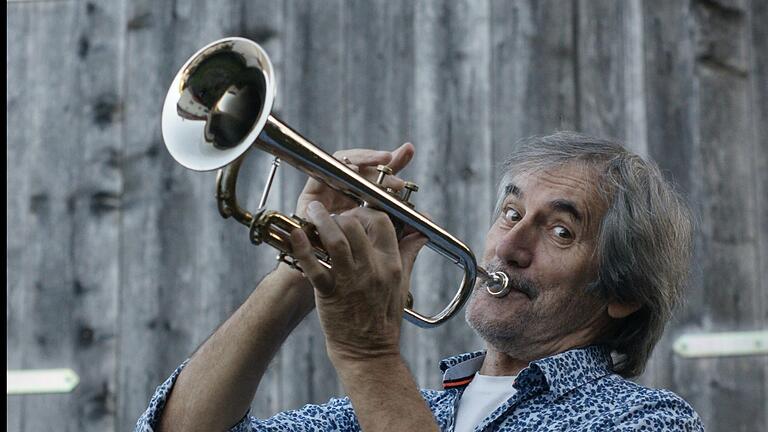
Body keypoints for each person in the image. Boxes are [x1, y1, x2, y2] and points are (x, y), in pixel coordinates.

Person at [135, 132, 704, 431]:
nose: (509, 246)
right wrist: (304, 261)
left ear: (623, 294)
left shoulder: (648, 420)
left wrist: (369, 355)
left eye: (558, 231)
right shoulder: (396, 412)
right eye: (510, 214)